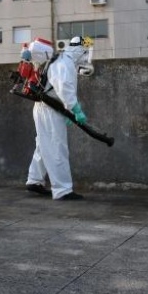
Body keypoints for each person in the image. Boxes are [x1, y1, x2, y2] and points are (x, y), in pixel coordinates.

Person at [25, 35, 88, 201]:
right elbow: (64, 88)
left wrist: (69, 111)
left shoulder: (57, 59)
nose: (86, 56)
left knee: (43, 144)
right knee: (57, 147)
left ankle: (34, 180)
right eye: (85, 51)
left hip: (43, 107)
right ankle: (62, 190)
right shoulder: (64, 62)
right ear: (79, 50)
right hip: (50, 109)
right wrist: (75, 109)